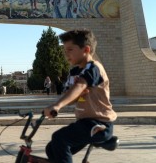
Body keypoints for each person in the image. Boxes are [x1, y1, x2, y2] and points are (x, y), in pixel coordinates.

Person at [43, 29, 117, 163]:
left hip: (99, 124)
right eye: (65, 50)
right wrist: (73, 97)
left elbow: (80, 85)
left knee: (60, 139)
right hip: (84, 123)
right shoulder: (74, 71)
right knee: (52, 149)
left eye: (70, 49)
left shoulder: (94, 68)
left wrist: (57, 105)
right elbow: (71, 94)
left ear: (86, 49)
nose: (66, 54)